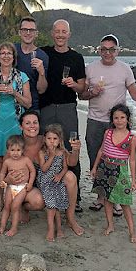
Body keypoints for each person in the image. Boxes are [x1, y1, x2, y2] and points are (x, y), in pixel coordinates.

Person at [80, 34, 136, 215]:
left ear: (117, 51)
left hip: (118, 125)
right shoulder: (90, 68)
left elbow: (135, 95)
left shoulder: (125, 69)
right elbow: (81, 96)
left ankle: (115, 199)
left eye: (111, 49)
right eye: (104, 49)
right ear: (99, 50)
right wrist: (92, 92)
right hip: (95, 120)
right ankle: (100, 196)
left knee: (117, 162)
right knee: (95, 159)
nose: (107, 53)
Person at [4, 110, 85, 236]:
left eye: (35, 123)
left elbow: (71, 162)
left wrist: (75, 151)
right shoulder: (16, 146)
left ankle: (71, 219)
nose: (32, 126)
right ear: (21, 126)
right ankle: (24, 207)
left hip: (49, 180)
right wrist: (7, 179)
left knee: (70, 177)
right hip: (28, 186)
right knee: (39, 202)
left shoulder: (48, 140)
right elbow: (3, 172)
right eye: (27, 123)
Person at [39, 19, 86, 212]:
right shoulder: (44, 53)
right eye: (57, 31)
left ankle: (76, 196)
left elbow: (82, 88)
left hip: (68, 108)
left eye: (63, 31)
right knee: (44, 147)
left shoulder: (76, 57)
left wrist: (73, 85)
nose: (60, 35)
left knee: (71, 147)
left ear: (69, 34)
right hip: (47, 107)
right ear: (52, 33)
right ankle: (42, 190)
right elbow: (20, 48)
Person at [0, 42, 32, 211]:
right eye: (2, 53)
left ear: (13, 57)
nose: (6, 56)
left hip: (15, 123)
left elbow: (28, 103)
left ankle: (15, 199)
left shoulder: (22, 77)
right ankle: (0, 200)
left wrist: (14, 92)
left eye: (9, 53)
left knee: (16, 162)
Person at [90, 104, 136, 243]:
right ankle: (110, 225)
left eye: (122, 117)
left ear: (127, 119)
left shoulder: (132, 138)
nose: (119, 120)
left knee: (124, 202)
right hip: (104, 167)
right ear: (112, 119)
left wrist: (133, 179)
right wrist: (94, 168)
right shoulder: (108, 133)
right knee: (107, 198)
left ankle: (132, 231)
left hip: (120, 170)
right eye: (116, 118)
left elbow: (133, 160)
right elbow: (101, 151)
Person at [0, 135, 36, 236]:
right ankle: (2, 226)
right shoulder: (7, 162)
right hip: (11, 187)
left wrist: (30, 183)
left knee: (15, 206)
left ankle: (14, 228)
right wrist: (2, 181)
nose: (15, 153)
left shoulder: (26, 160)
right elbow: (2, 172)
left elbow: (32, 171)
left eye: (18, 150)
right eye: (12, 150)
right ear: (8, 150)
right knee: (7, 206)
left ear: (23, 150)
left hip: (22, 187)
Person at [38, 124, 70, 242]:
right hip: (45, 181)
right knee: (52, 205)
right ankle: (52, 229)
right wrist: (51, 156)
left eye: (55, 139)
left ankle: (59, 229)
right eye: (49, 138)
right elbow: (44, 168)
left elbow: (65, 167)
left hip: (57, 180)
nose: (52, 142)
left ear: (60, 140)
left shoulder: (62, 152)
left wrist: (60, 175)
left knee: (56, 205)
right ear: (44, 139)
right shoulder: (43, 152)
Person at [15, 17, 49, 111]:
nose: (28, 33)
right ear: (19, 32)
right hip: (11, 106)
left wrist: (41, 73)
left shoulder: (42, 56)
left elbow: (41, 90)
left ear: (36, 34)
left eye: (31, 30)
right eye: (25, 30)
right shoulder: (12, 50)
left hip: (31, 108)